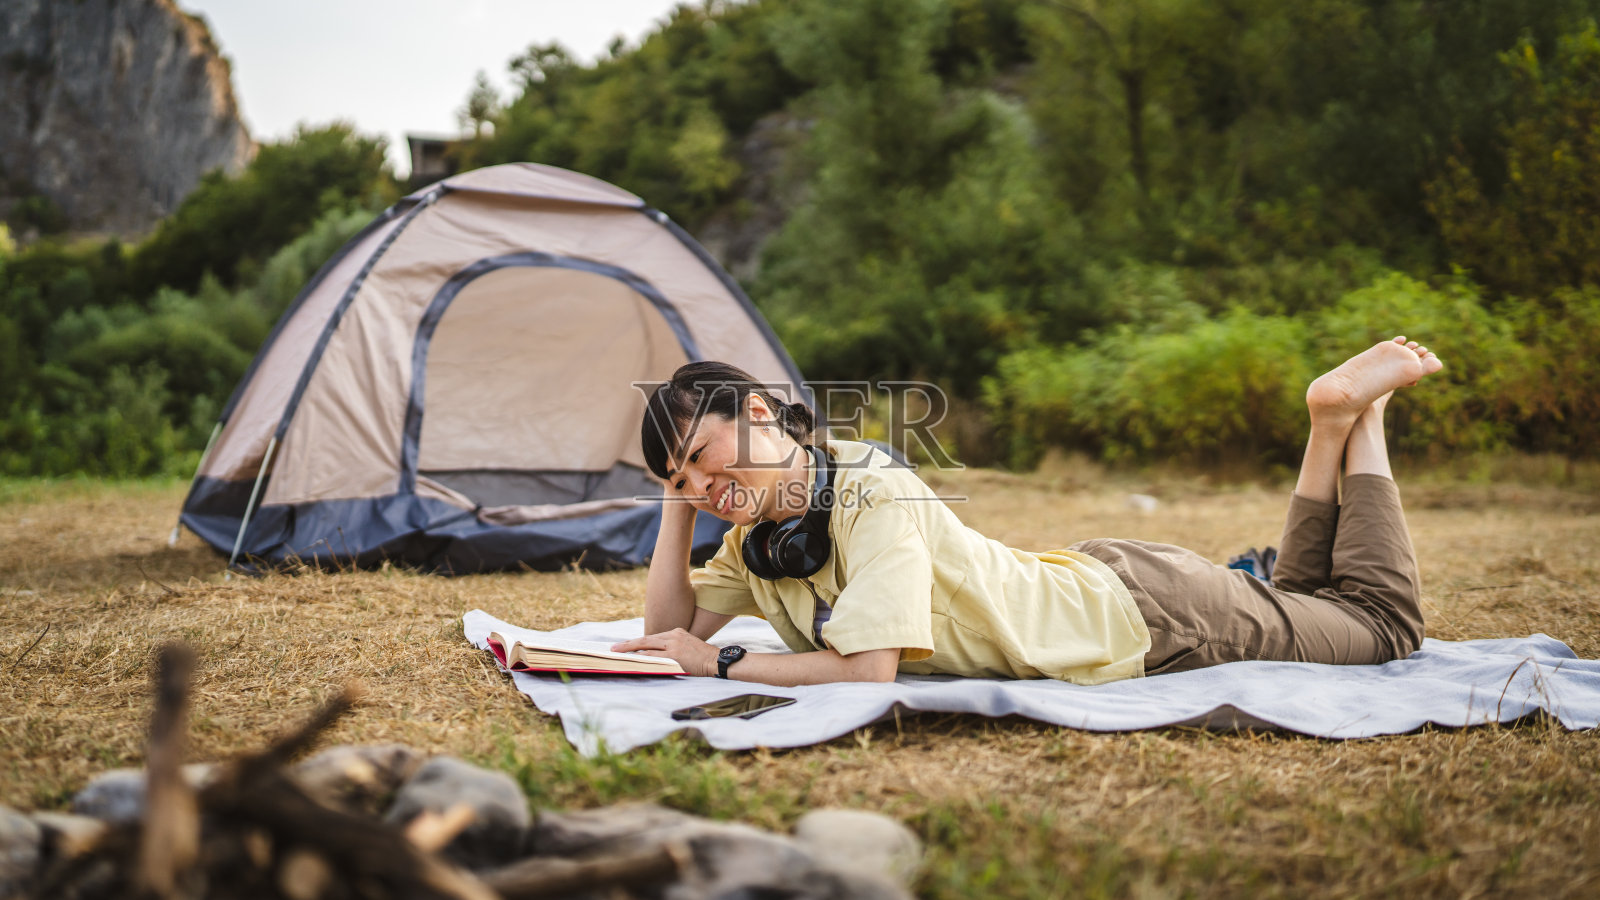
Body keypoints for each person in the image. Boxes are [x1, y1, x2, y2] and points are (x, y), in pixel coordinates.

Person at [612, 338, 1444, 686]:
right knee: (1302, 596)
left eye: (700, 459)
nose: (697, 486)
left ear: (759, 416)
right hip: (1105, 584)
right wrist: (678, 505)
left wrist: (717, 665)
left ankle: (1358, 419)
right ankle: (1332, 423)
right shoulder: (761, 539)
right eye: (676, 479)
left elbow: (868, 674)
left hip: (1154, 621)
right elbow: (670, 623)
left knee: (1377, 624)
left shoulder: (868, 488)